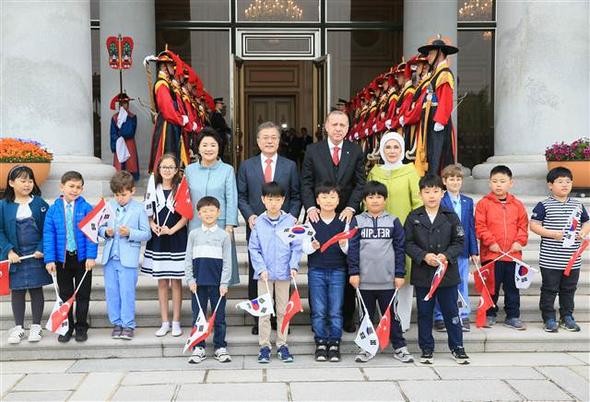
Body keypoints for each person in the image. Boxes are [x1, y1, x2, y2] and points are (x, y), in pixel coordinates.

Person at [301, 110, 366, 332]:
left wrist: (351, 207)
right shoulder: (313, 150)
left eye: (343, 125)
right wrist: (310, 207)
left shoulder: (355, 150)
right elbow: (306, 182)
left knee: (346, 265)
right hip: (319, 215)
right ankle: (317, 318)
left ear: (348, 128)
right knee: (318, 264)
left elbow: (360, 183)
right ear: (326, 127)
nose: (338, 128)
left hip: (345, 215)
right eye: (334, 124)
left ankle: (346, 317)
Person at [237, 121, 301, 335]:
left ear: (279, 140)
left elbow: (296, 195)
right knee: (259, 272)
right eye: (265, 137)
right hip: (257, 226)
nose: (269, 141)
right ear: (258, 141)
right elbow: (242, 196)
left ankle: (281, 320)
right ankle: (259, 320)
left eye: (273, 137)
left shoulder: (290, 165)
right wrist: (249, 216)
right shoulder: (247, 165)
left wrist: (291, 217)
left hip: (284, 228)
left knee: (282, 271)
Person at [404, 174, 469, 365]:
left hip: (447, 274)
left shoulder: (450, 216)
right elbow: (407, 243)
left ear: (442, 193)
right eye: (427, 192)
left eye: (435, 191)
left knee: (451, 312)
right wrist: (424, 256)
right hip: (424, 273)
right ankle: (426, 348)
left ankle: (458, 347)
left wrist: (445, 256)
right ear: (420, 194)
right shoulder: (414, 216)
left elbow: (459, 241)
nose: (431, 196)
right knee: (424, 312)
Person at [348, 181, 414, 364]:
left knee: (392, 316)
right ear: (364, 200)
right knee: (365, 317)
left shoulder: (393, 221)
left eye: (379, 197)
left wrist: (400, 274)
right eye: (371, 197)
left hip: (388, 281)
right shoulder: (357, 221)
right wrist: (353, 272)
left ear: (385, 200)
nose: (375, 200)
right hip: (364, 280)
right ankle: (366, 347)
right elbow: (352, 249)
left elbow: (400, 249)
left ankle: (399, 347)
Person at [367, 131, 422, 332]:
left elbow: (417, 203)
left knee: (404, 279)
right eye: (388, 147)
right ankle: (385, 321)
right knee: (382, 278)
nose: (392, 151)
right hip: (378, 235)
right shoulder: (375, 172)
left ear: (402, 150)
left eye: (396, 147)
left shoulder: (410, 171)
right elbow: (369, 200)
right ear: (382, 149)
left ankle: (403, 322)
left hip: (403, 234)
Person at [530, 167, 590, 332]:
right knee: (549, 289)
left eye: (568, 182)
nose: (564, 185)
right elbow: (534, 225)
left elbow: (587, 222)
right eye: (560, 182)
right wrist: (550, 233)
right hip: (550, 258)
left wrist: (584, 232)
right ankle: (549, 317)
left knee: (569, 289)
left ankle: (567, 316)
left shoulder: (578, 205)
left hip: (572, 259)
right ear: (550, 185)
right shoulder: (544, 205)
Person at [249, 182, 302, 364]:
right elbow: (253, 248)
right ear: (263, 200)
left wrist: (294, 266)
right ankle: (264, 346)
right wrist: (261, 268)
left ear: (283, 200)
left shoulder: (289, 221)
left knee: (282, 311)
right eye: (270, 199)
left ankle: (282, 344)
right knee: (264, 312)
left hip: (284, 274)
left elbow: (296, 247)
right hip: (264, 275)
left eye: (277, 200)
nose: (274, 203)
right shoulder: (258, 223)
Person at [43, 171, 97, 343]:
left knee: (83, 294)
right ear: (62, 187)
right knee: (66, 295)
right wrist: (49, 259)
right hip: (62, 259)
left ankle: (81, 326)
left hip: (82, 259)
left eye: (78, 187)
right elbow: (48, 235)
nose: (75, 190)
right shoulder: (53, 210)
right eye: (71, 186)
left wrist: (91, 256)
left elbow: (91, 234)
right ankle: (68, 327)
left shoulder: (86, 207)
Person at [1, 166, 52, 344]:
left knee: (36, 289)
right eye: (23, 180)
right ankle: (19, 327)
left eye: (30, 180)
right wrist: (9, 250)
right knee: (17, 291)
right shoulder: (3, 205)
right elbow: (0, 231)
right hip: (16, 255)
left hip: (35, 255)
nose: (27, 184)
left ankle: (36, 326)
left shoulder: (40, 204)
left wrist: (41, 248)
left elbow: (48, 229)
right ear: (11, 183)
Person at [475, 165, 529, 330]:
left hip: (513, 255)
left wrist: (520, 241)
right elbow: (480, 226)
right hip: (492, 255)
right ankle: (490, 313)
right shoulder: (483, 204)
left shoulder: (517, 205)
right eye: (495, 181)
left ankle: (512, 315)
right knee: (491, 286)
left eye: (502, 181)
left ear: (511, 183)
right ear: (489, 183)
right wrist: (491, 242)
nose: (498, 185)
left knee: (512, 288)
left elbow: (523, 226)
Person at [99, 171, 151, 340]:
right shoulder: (108, 206)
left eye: (123, 194)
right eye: (116, 195)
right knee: (112, 292)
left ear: (132, 191)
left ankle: (128, 324)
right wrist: (105, 232)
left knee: (127, 292)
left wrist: (130, 232)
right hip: (110, 257)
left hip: (128, 258)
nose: (120, 198)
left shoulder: (138, 209)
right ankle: (117, 322)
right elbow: (98, 228)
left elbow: (146, 233)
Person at [184, 127, 239, 286]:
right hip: (196, 224)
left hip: (221, 225)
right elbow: (185, 198)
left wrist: (229, 225)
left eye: (213, 145)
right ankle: (199, 305)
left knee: (221, 266)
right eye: (205, 145)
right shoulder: (190, 170)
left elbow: (231, 198)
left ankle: (218, 306)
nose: (209, 149)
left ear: (219, 147)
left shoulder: (227, 170)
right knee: (198, 265)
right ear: (198, 148)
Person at [141, 154, 189, 337]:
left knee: (176, 282)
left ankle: (176, 321)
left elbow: (186, 216)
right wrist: (152, 224)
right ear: (158, 169)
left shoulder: (181, 189)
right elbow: (148, 212)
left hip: (176, 238)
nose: (167, 170)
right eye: (164, 167)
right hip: (158, 239)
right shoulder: (153, 188)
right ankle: (164, 322)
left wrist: (172, 229)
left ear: (177, 170)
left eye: (171, 167)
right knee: (162, 282)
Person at [302, 182, 347, 362]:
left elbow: (349, 249)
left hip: (338, 270)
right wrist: (312, 246)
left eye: (332, 197)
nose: (328, 201)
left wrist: (345, 246)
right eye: (324, 197)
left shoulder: (344, 220)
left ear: (338, 200)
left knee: (335, 309)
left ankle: (334, 342)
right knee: (319, 309)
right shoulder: (311, 220)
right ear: (317, 200)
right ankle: (320, 342)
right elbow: (304, 246)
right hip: (316, 270)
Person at [184, 196, 232, 364]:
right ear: (199, 214)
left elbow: (227, 261)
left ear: (218, 213)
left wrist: (224, 282)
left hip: (217, 285)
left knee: (219, 317)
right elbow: (188, 258)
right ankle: (199, 347)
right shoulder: (194, 234)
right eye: (205, 211)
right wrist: (190, 279)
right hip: (198, 284)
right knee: (199, 316)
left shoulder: (224, 236)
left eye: (212, 210)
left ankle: (220, 346)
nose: (208, 214)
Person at [434, 164, 479, 332]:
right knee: (442, 283)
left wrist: (474, 251)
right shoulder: (440, 199)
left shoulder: (468, 201)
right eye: (451, 179)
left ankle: (463, 313)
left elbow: (470, 227)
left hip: (463, 249)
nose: (455, 182)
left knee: (462, 283)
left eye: (458, 179)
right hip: (445, 250)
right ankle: (440, 316)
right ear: (444, 181)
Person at [417, 36, 459, 176]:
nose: (428, 56)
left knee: (438, 153)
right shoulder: (436, 73)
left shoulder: (444, 73)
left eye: (431, 53)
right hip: (431, 117)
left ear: (440, 54)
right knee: (432, 153)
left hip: (437, 119)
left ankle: (437, 184)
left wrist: (440, 120)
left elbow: (446, 99)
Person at [148, 50, 191, 173]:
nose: (174, 69)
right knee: (168, 154)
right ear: (164, 66)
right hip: (167, 124)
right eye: (172, 65)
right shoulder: (162, 84)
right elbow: (167, 109)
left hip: (172, 123)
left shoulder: (167, 83)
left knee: (174, 154)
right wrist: (181, 119)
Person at [109, 92, 139, 181]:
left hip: (129, 143)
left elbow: (131, 132)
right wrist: (117, 140)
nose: (124, 105)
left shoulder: (132, 117)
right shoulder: (114, 117)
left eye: (126, 103)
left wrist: (123, 125)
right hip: (119, 143)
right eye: (122, 104)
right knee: (119, 165)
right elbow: (113, 132)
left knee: (131, 163)